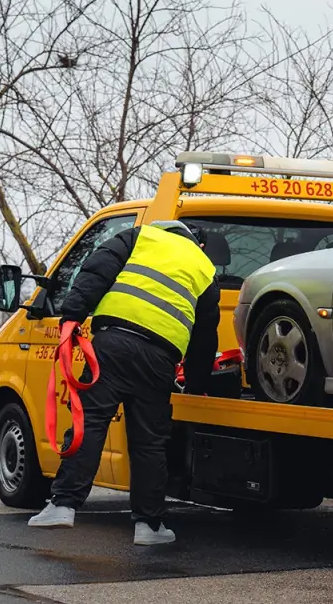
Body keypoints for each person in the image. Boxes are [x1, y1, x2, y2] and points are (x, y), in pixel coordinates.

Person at [27, 220, 219, 546]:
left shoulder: (140, 236)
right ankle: (148, 525)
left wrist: (72, 314)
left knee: (90, 422)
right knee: (149, 442)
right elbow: (205, 334)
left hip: (112, 345)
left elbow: (96, 270)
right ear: (196, 243)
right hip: (159, 359)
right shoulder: (205, 268)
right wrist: (197, 382)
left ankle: (63, 506)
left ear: (167, 228)